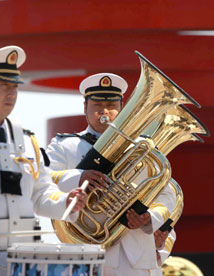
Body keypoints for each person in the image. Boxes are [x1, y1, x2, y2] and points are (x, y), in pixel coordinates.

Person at [0, 46, 87, 276]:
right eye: (3, 86)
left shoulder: (28, 141)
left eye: (14, 86)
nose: (11, 94)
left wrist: (67, 201)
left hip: (23, 262)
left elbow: (41, 194)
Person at [45, 73, 177, 276]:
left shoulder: (142, 148)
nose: (104, 111)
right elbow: (43, 180)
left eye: (111, 104)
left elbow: (166, 195)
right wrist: (79, 177)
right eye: (96, 104)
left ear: (122, 108)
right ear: (85, 108)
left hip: (136, 258)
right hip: (85, 254)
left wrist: (148, 218)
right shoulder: (65, 145)